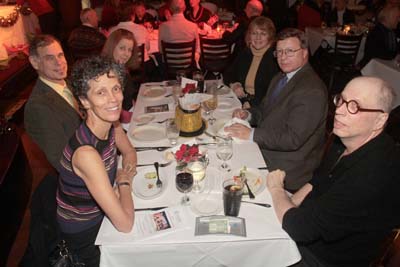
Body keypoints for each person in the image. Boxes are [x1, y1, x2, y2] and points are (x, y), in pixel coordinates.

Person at [267, 76, 400, 267]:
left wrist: (277, 189)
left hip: (325, 258)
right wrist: (291, 202)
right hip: (311, 224)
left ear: (380, 120)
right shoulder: (344, 140)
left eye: (354, 106)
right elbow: (318, 180)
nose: (339, 111)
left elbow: (300, 229)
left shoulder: (371, 174)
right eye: (341, 100)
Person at [225, 28, 328, 192]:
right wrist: (248, 114)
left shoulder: (311, 90)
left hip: (286, 166)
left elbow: (292, 138)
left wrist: (251, 134)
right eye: (279, 52)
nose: (283, 57)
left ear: (305, 53)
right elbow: (265, 109)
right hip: (269, 147)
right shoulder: (281, 77)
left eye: (289, 51)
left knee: (227, 174)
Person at [57, 56, 136, 266]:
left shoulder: (112, 124)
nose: (113, 99)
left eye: (116, 88)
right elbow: (125, 224)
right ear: (84, 101)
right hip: (87, 232)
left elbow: (129, 152)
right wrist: (124, 181)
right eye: (101, 92)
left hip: (105, 210)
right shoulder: (86, 154)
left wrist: (123, 177)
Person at [24, 35, 81, 170]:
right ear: (35, 62)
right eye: (50, 58)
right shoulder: (38, 106)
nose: (59, 62)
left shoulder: (70, 83)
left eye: (60, 55)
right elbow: (62, 161)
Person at [223, 16, 279, 109]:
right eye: (254, 33)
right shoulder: (245, 52)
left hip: (262, 107)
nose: (258, 37)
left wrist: (251, 104)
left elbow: (273, 92)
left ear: (270, 36)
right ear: (249, 35)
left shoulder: (275, 58)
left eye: (263, 34)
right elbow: (228, 73)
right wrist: (235, 85)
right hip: (240, 100)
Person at [102, 29, 140, 112]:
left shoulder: (121, 68)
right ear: (112, 47)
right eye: (122, 48)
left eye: (129, 50)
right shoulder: (107, 74)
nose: (126, 54)